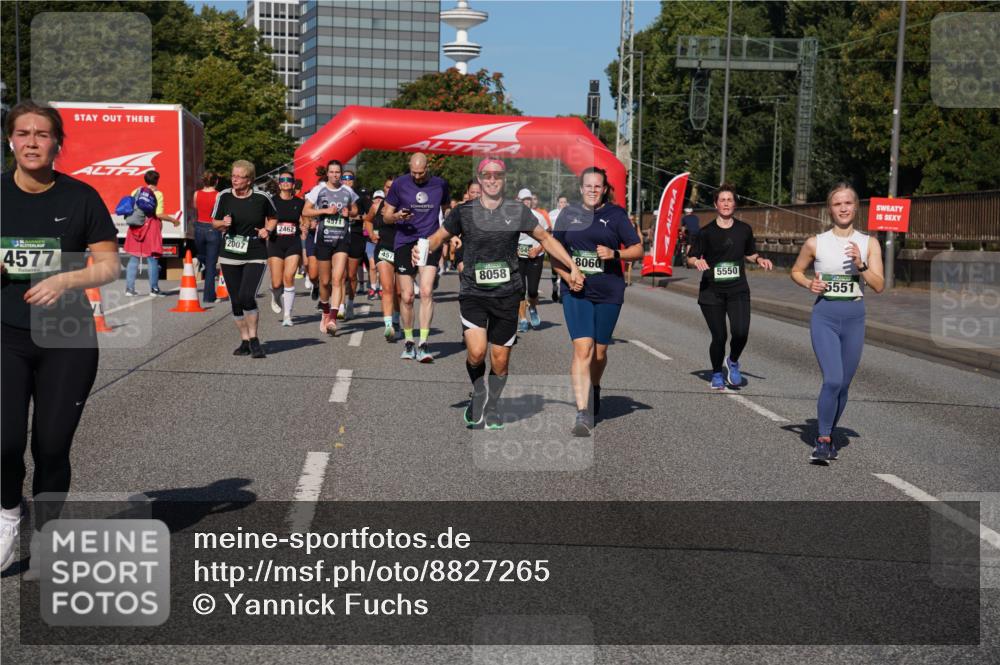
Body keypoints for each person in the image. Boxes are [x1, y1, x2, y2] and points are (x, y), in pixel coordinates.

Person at [1, 101, 119, 574]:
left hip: (66, 337)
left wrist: (66, 279)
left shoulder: (80, 198)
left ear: (57, 144)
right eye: (23, 133)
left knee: (51, 446)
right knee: (4, 443)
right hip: (5, 334)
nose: (32, 142)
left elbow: (109, 265)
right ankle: (8, 516)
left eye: (42, 134)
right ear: (10, 140)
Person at [421, 158, 583, 429]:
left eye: (497, 175)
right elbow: (439, 236)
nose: (492, 179)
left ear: (504, 179)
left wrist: (572, 266)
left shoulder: (516, 211)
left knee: (500, 361)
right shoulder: (464, 212)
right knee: (476, 352)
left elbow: (545, 238)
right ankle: (479, 392)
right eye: (487, 175)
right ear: (480, 178)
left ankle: (493, 403)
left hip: (507, 295)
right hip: (473, 292)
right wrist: (424, 247)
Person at [791, 182, 884, 463]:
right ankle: (822, 440)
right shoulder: (815, 242)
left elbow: (879, 285)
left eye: (848, 203)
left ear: (856, 207)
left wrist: (861, 264)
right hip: (825, 317)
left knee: (843, 385)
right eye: (837, 204)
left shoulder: (869, 243)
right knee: (832, 379)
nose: (843, 208)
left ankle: (829, 434)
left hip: (854, 318)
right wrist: (809, 284)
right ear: (830, 210)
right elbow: (796, 271)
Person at [550, 167, 644, 437]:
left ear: (604, 190)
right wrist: (567, 277)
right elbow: (555, 252)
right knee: (583, 348)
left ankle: (594, 386)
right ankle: (582, 411)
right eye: (588, 186)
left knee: (599, 353)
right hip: (576, 291)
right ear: (581, 189)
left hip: (608, 291)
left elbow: (638, 249)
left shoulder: (616, 215)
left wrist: (615, 253)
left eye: (597, 186)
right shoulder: (568, 214)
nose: (592, 190)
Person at [687, 185, 774, 391]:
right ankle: (717, 372)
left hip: (738, 290)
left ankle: (733, 361)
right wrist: (696, 261)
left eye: (730, 200)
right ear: (716, 204)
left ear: (735, 204)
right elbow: (691, 257)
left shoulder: (744, 229)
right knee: (719, 336)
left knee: (741, 332)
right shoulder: (705, 232)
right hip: (712, 292)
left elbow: (750, 253)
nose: (726, 203)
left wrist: (759, 259)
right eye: (722, 200)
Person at [381, 153, 450, 362]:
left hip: (429, 241)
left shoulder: (440, 185)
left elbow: (446, 210)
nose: (417, 177)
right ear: (409, 167)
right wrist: (397, 216)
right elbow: (386, 216)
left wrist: (446, 234)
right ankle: (409, 341)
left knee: (426, 291)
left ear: (427, 167)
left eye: (420, 173)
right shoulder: (400, 184)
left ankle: (424, 343)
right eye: (414, 173)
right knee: (407, 296)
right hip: (404, 241)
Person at [212, 160, 277, 359]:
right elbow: (214, 223)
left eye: (239, 177)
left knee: (247, 296)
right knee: (236, 300)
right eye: (233, 175)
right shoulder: (224, 196)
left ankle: (254, 339)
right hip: (230, 252)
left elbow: (273, 218)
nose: (235, 180)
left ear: (249, 180)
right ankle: (244, 340)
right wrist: (223, 223)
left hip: (255, 251)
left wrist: (267, 230)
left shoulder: (262, 197)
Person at [302, 160, 358, 336]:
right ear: (327, 173)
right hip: (323, 239)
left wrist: (349, 213)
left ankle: (333, 319)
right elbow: (306, 211)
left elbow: (355, 210)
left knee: (338, 278)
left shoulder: (347, 191)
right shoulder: (319, 190)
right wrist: (324, 212)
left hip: (342, 239)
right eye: (332, 172)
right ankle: (325, 312)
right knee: (324, 282)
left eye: (337, 172)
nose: (335, 175)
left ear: (341, 173)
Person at [123, 170, 181, 297]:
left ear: (145, 180)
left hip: (135, 227)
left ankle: (129, 289)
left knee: (134, 257)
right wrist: (173, 220)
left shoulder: (136, 191)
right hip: (150, 227)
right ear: (157, 180)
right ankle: (154, 289)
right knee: (152, 258)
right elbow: (158, 214)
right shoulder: (158, 194)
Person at [365, 179, 401, 341]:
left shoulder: (405, 205)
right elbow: (367, 220)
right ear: (384, 189)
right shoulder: (377, 206)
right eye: (387, 187)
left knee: (399, 291)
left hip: (401, 250)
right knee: (387, 287)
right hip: (383, 249)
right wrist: (372, 234)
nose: (390, 189)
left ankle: (396, 320)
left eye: (394, 187)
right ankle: (388, 325)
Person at [267, 170, 304, 326]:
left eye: (289, 180)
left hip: (293, 243)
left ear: (293, 184)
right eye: (282, 180)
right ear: (279, 184)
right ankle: (275, 294)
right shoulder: (271, 201)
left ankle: (287, 315)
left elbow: (305, 219)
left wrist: (306, 225)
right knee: (276, 283)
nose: (285, 182)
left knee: (288, 277)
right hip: (275, 242)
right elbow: (265, 219)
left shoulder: (299, 202)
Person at [515, 188, 548, 333]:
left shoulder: (539, 217)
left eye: (528, 199)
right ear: (518, 201)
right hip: (518, 257)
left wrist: (538, 250)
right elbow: (507, 238)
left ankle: (533, 308)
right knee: (520, 290)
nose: (526, 202)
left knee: (533, 291)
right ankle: (523, 319)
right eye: (523, 200)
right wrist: (514, 249)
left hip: (535, 256)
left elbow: (547, 238)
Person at [338, 169, 366, 321]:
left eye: (350, 179)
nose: (347, 181)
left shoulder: (360, 197)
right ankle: (341, 305)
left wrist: (355, 217)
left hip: (356, 237)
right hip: (339, 236)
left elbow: (368, 216)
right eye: (344, 178)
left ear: (354, 181)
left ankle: (350, 303)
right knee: (341, 275)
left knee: (351, 275)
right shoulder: (335, 195)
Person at [193, 171, 222, 306]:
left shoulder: (196, 194)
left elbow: (195, 207)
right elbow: (220, 211)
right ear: (216, 181)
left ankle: (199, 259)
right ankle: (209, 296)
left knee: (203, 255)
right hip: (212, 228)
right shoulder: (218, 195)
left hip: (199, 228)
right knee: (211, 265)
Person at [549, 195, 569, 301]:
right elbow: (547, 230)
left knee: (564, 267)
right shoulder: (551, 214)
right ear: (557, 203)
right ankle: (554, 288)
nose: (563, 204)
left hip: (565, 245)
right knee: (554, 269)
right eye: (561, 202)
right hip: (553, 245)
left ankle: (562, 292)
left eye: (565, 202)